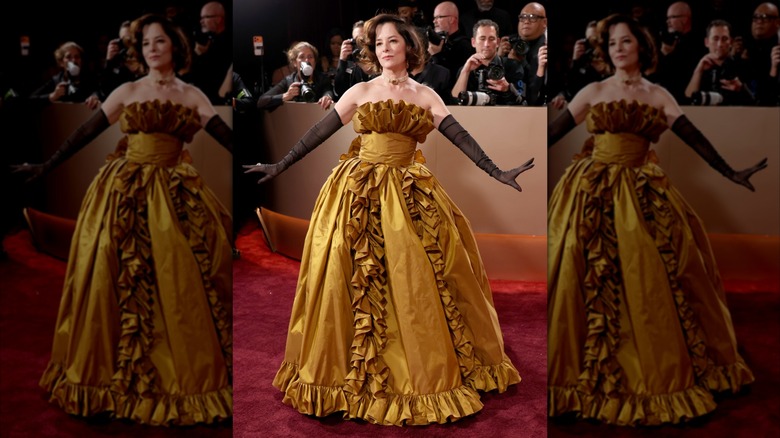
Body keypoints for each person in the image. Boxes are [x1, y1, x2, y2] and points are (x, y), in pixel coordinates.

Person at [243, 12, 534, 425]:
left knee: (416, 274)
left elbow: (462, 139)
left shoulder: (426, 95)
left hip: (410, 193)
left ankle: (418, 364)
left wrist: (497, 172)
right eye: (378, 43)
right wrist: (280, 164)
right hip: (357, 191)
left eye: (392, 41)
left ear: (408, 47)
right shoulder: (360, 90)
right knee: (348, 270)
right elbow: (318, 133)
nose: (384, 48)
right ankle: (344, 369)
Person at [11, 13, 233, 426]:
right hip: (124, 192)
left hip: (175, 195)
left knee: (177, 279)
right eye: (146, 43)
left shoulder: (193, 95)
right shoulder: (127, 90)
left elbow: (227, 138)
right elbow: (84, 134)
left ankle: (175, 372)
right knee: (112, 276)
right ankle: (107, 375)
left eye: (160, 42)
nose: (152, 48)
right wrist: (45, 166)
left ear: (175, 48)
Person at [546, 13, 764, 426]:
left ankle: (657, 365)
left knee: (656, 272)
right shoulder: (592, 90)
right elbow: (552, 134)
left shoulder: (659, 95)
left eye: (625, 42)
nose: (618, 49)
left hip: (643, 191)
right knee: (580, 265)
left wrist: (731, 172)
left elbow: (695, 138)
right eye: (611, 44)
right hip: (591, 191)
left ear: (641, 47)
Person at [451, 19, 525, 105]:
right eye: (482, 39)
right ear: (473, 42)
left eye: (491, 39)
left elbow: (524, 103)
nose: (486, 44)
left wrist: (508, 89)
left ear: (497, 42)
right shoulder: (465, 70)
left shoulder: (513, 66)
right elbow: (455, 104)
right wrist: (465, 71)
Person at [685, 19, 754, 106]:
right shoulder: (697, 66)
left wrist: (741, 89)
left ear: (731, 42)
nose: (720, 44)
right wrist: (698, 71)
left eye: (724, 39)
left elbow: (756, 104)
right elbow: (688, 100)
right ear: (706, 42)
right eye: (715, 39)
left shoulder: (744, 66)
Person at [256, 41, 334, 110]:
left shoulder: (322, 79)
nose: (307, 61)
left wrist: (327, 97)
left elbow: (328, 91)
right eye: (302, 57)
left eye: (310, 57)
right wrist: (286, 96)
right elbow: (261, 102)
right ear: (294, 62)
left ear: (315, 61)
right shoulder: (288, 81)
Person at [653, 1, 705, 104]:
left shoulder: (697, 45)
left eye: (672, 17)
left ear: (685, 19)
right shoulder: (669, 43)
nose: (668, 21)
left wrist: (668, 56)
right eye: (667, 18)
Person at [499, 2, 547, 105]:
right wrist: (499, 57)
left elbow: (535, 93)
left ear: (544, 22)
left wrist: (519, 63)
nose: (526, 21)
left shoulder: (544, 50)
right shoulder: (510, 42)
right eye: (523, 17)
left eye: (532, 17)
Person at [29, 41, 101, 110]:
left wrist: (95, 96)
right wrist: (53, 96)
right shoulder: (56, 81)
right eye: (68, 57)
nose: (74, 61)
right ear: (61, 62)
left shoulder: (89, 79)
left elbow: (99, 91)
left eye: (77, 57)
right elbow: (30, 100)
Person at [187, 1, 233, 104]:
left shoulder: (227, 44)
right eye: (201, 18)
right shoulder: (208, 42)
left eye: (205, 17)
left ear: (219, 19)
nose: (201, 21)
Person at [428, 2, 474, 90]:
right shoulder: (437, 43)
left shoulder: (464, 45)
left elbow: (450, 79)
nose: (434, 21)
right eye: (434, 18)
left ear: (452, 19)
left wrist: (436, 56)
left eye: (439, 17)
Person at [742, 2, 780, 105]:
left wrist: (774, 70)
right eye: (756, 17)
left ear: (777, 22)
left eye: (765, 17)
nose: (759, 21)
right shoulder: (745, 50)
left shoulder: (777, 50)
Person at [98, 20, 143, 101]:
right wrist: (109, 62)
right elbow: (105, 92)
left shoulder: (145, 57)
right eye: (123, 40)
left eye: (129, 39)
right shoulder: (117, 60)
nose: (127, 43)